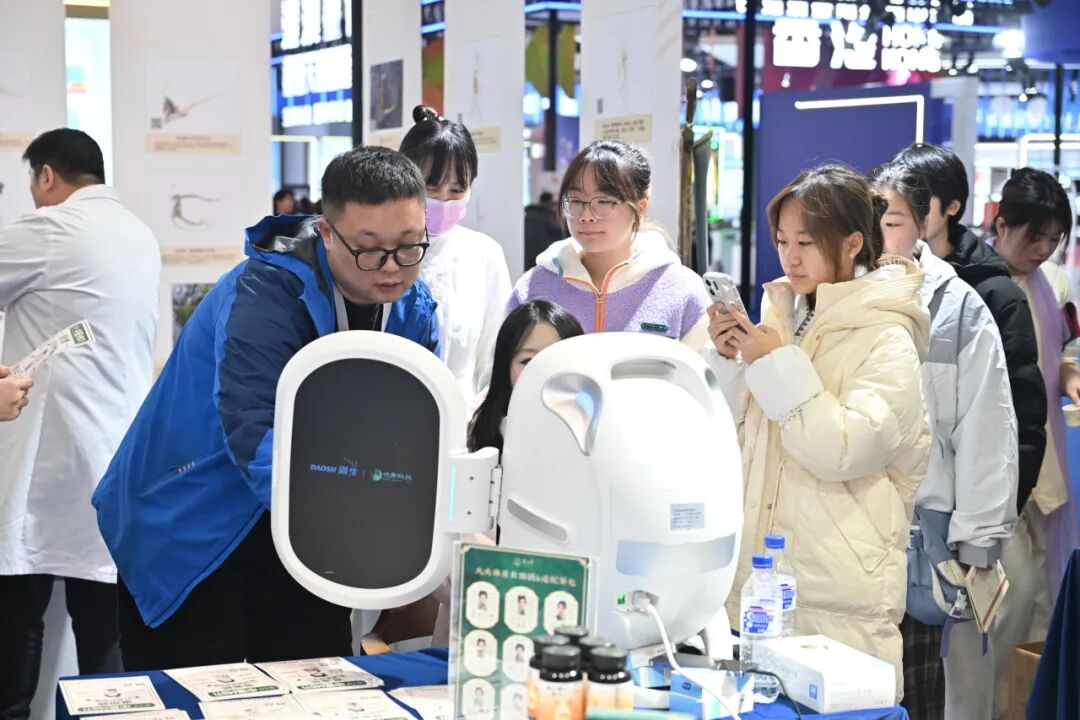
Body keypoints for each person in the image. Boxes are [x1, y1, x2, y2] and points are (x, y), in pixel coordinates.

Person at [92, 146, 440, 669]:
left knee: (315, 680)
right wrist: (345, 528)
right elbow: (256, 434)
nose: (391, 267)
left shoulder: (415, 309)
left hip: (307, 519)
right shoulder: (264, 296)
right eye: (369, 249)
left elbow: (414, 428)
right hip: (195, 521)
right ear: (326, 232)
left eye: (409, 246)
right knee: (198, 689)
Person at [710, 164, 929, 700]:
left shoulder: (888, 336)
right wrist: (730, 359)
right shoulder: (781, 316)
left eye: (806, 242)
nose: (790, 256)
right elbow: (736, 436)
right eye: (783, 240)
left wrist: (774, 364)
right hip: (762, 581)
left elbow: (843, 449)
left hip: (839, 592)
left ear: (853, 243)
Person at [0, 129, 160, 720]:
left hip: (49, 458)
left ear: (46, 175)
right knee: (105, 638)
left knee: (19, 622)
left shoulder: (52, 228)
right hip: (116, 459)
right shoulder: (138, 234)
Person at [871, 162, 1018, 720]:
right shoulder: (836, 295)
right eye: (869, 221)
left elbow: (987, 429)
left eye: (893, 221)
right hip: (847, 531)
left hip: (922, 535)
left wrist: (978, 542)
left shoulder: (957, 307)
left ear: (924, 223)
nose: (880, 236)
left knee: (920, 694)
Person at [892, 144, 1046, 517]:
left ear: (952, 207)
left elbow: (1021, 413)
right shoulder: (886, 280)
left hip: (965, 507)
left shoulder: (994, 292)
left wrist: (998, 515)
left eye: (920, 201)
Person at [985, 167, 1080, 718]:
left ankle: (1035, 702)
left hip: (1049, 463)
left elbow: (1065, 346)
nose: (1043, 250)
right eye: (1034, 237)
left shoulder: (1056, 285)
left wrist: (1068, 373)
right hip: (1001, 466)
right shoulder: (979, 284)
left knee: (1048, 593)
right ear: (1002, 225)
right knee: (1012, 596)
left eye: (1054, 239)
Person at [507, 140, 711, 349]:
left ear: (640, 208)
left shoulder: (680, 288)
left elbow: (709, 367)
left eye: (604, 202)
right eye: (575, 201)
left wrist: (725, 352)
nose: (586, 215)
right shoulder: (534, 286)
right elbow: (502, 365)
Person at [399, 105, 512, 401]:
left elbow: (495, 354)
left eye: (456, 190)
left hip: (461, 415)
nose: (443, 200)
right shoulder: (379, 250)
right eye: (431, 187)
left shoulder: (484, 254)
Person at [468, 300, 584, 453]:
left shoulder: (596, 433)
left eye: (555, 359)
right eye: (527, 361)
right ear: (505, 367)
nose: (541, 371)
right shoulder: (475, 431)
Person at [524, 191, 564, 270]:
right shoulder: (550, 217)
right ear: (550, 202)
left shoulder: (526, 215)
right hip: (544, 261)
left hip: (526, 259)